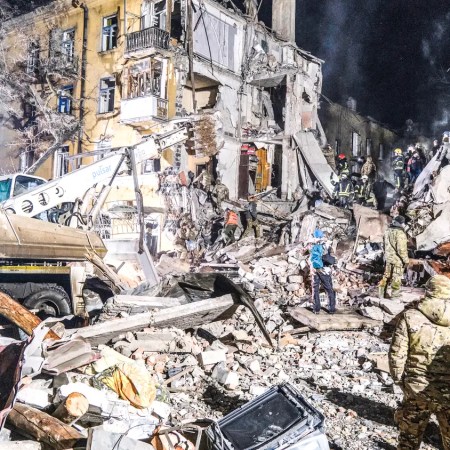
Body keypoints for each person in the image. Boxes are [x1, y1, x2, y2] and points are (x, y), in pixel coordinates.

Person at [389, 274, 450, 450]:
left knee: (408, 441)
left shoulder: (410, 316)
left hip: (416, 388)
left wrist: (401, 382)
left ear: (428, 291)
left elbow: (396, 355)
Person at [379, 215, 409, 299]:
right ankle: (395, 295)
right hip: (397, 260)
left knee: (386, 276)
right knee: (396, 277)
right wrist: (406, 260)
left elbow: (383, 245)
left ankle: (381, 294)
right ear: (401, 223)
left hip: (388, 258)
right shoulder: (400, 233)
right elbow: (401, 249)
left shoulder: (387, 231)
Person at [310, 229, 336, 315]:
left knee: (315, 289)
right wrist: (333, 268)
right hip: (326, 270)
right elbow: (332, 259)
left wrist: (314, 267)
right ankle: (331, 308)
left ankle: (316, 309)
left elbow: (312, 257)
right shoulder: (328, 245)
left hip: (317, 270)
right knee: (329, 289)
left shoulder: (314, 245)